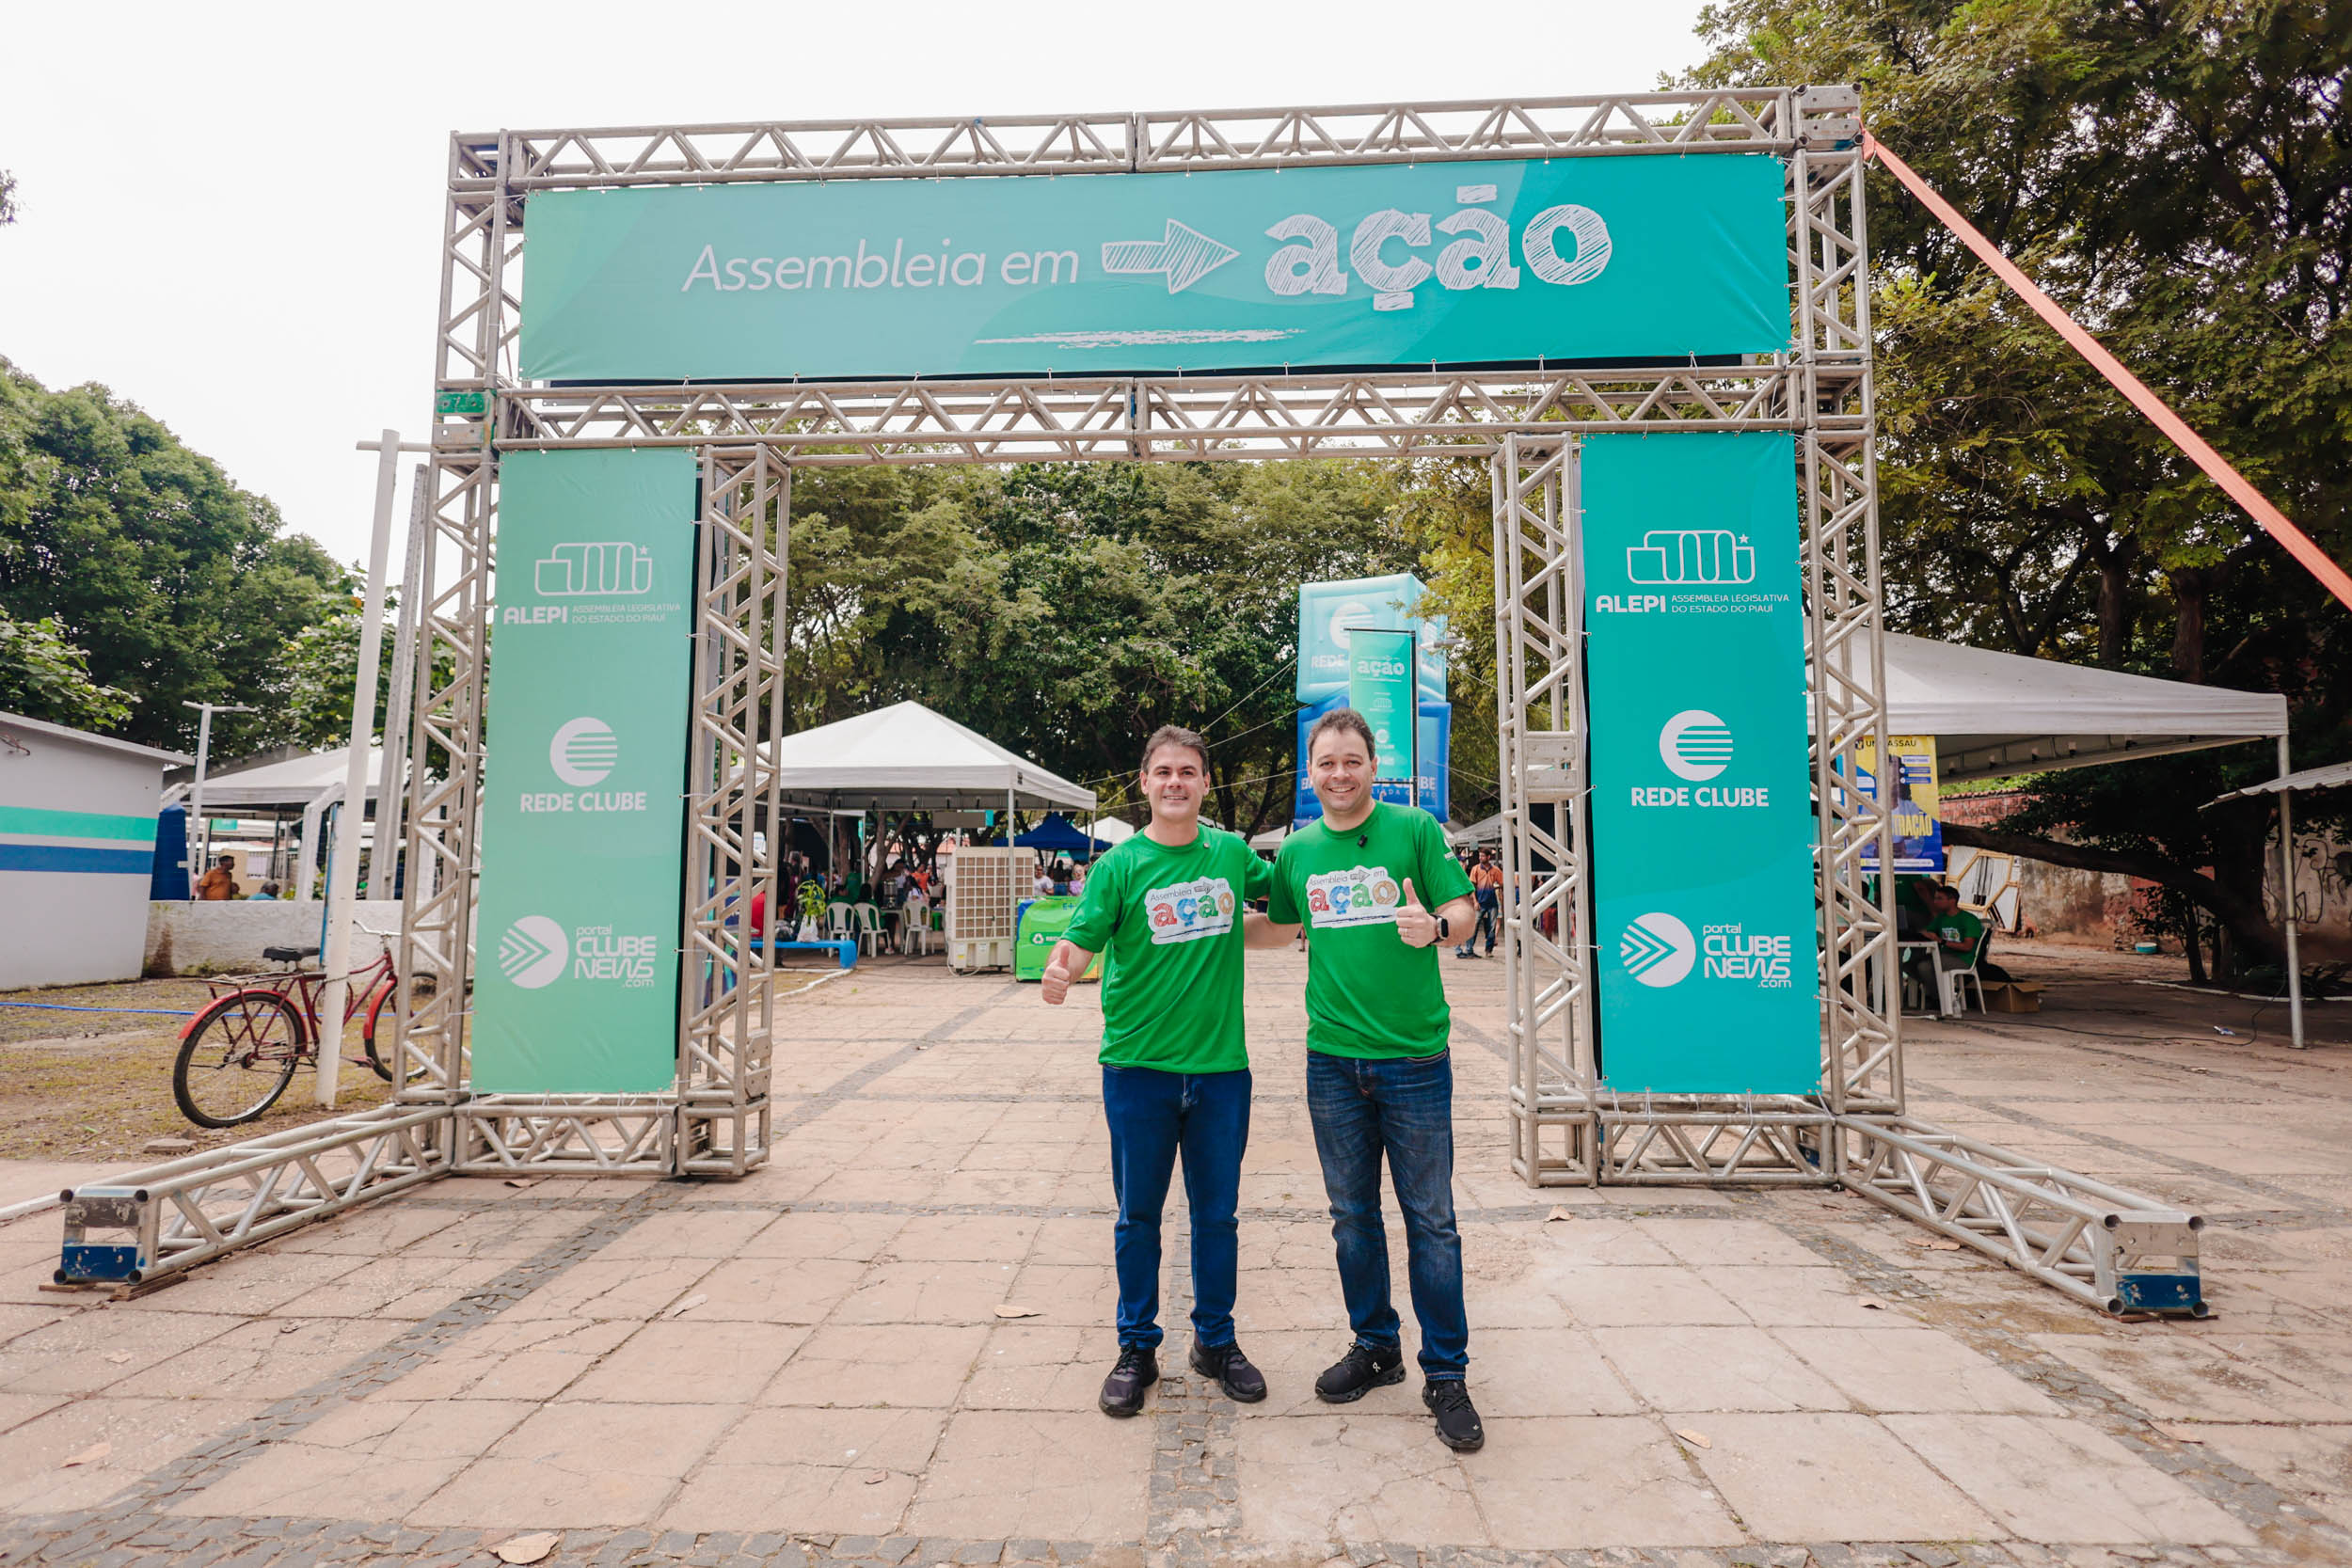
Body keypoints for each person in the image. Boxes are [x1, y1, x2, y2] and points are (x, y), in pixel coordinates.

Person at [1250, 706, 1486, 1453]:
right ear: (1309, 771)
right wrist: (1194, 921)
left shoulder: (1414, 830)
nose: (1340, 773)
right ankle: (1376, 1343)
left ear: (1372, 766)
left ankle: (1445, 1371)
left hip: (1416, 1061)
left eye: (1352, 760)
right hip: (1332, 1063)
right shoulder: (1298, 851)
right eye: (1327, 762)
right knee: (1352, 1217)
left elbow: (1464, 909)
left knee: (1432, 1221)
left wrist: (1438, 929)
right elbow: (1279, 928)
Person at [1041, 725, 1276, 1418]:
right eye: (1164, 771)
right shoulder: (1118, 867)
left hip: (1220, 1073)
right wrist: (1060, 970)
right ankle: (1136, 1346)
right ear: (1144, 783)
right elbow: (1078, 941)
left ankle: (1215, 1340)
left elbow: (1286, 896)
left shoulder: (1232, 853)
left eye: (1189, 771)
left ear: (1206, 784)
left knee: (1217, 1217)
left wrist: (1321, 921)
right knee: (1137, 1216)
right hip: (1136, 1071)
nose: (1176, 781)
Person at [1906, 882, 1985, 1016]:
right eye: (1935, 898)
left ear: (1952, 900)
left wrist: (1942, 941)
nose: (1935, 902)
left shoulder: (1968, 920)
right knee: (1908, 965)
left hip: (1962, 959)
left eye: (1939, 898)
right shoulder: (1942, 918)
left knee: (1924, 967)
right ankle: (1936, 992)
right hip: (1943, 956)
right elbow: (1930, 932)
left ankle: (1937, 999)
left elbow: (1967, 946)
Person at [1456, 850, 1502, 958]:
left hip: (1492, 903)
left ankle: (1488, 950)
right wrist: (1475, 901)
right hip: (1480, 902)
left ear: (1488, 857)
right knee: (1474, 927)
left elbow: (1502, 884)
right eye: (1480, 856)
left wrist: (1500, 898)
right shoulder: (1475, 869)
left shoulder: (1495, 870)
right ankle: (1469, 949)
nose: (1480, 858)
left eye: (1483, 856)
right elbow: (1472, 887)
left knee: (1491, 928)